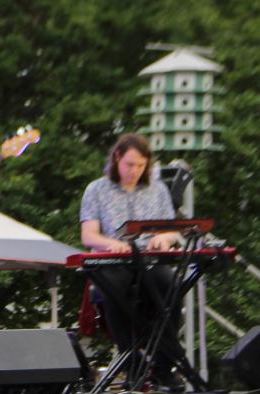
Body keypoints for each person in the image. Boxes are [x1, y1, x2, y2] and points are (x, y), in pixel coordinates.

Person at [78, 132, 183, 363]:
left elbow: (172, 229)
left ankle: (165, 362)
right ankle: (129, 356)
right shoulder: (96, 189)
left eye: (140, 165)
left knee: (172, 286)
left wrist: (164, 239)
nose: (134, 170)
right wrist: (112, 244)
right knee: (113, 288)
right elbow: (88, 236)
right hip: (113, 261)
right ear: (117, 158)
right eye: (129, 164)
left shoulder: (158, 189)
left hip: (148, 260)